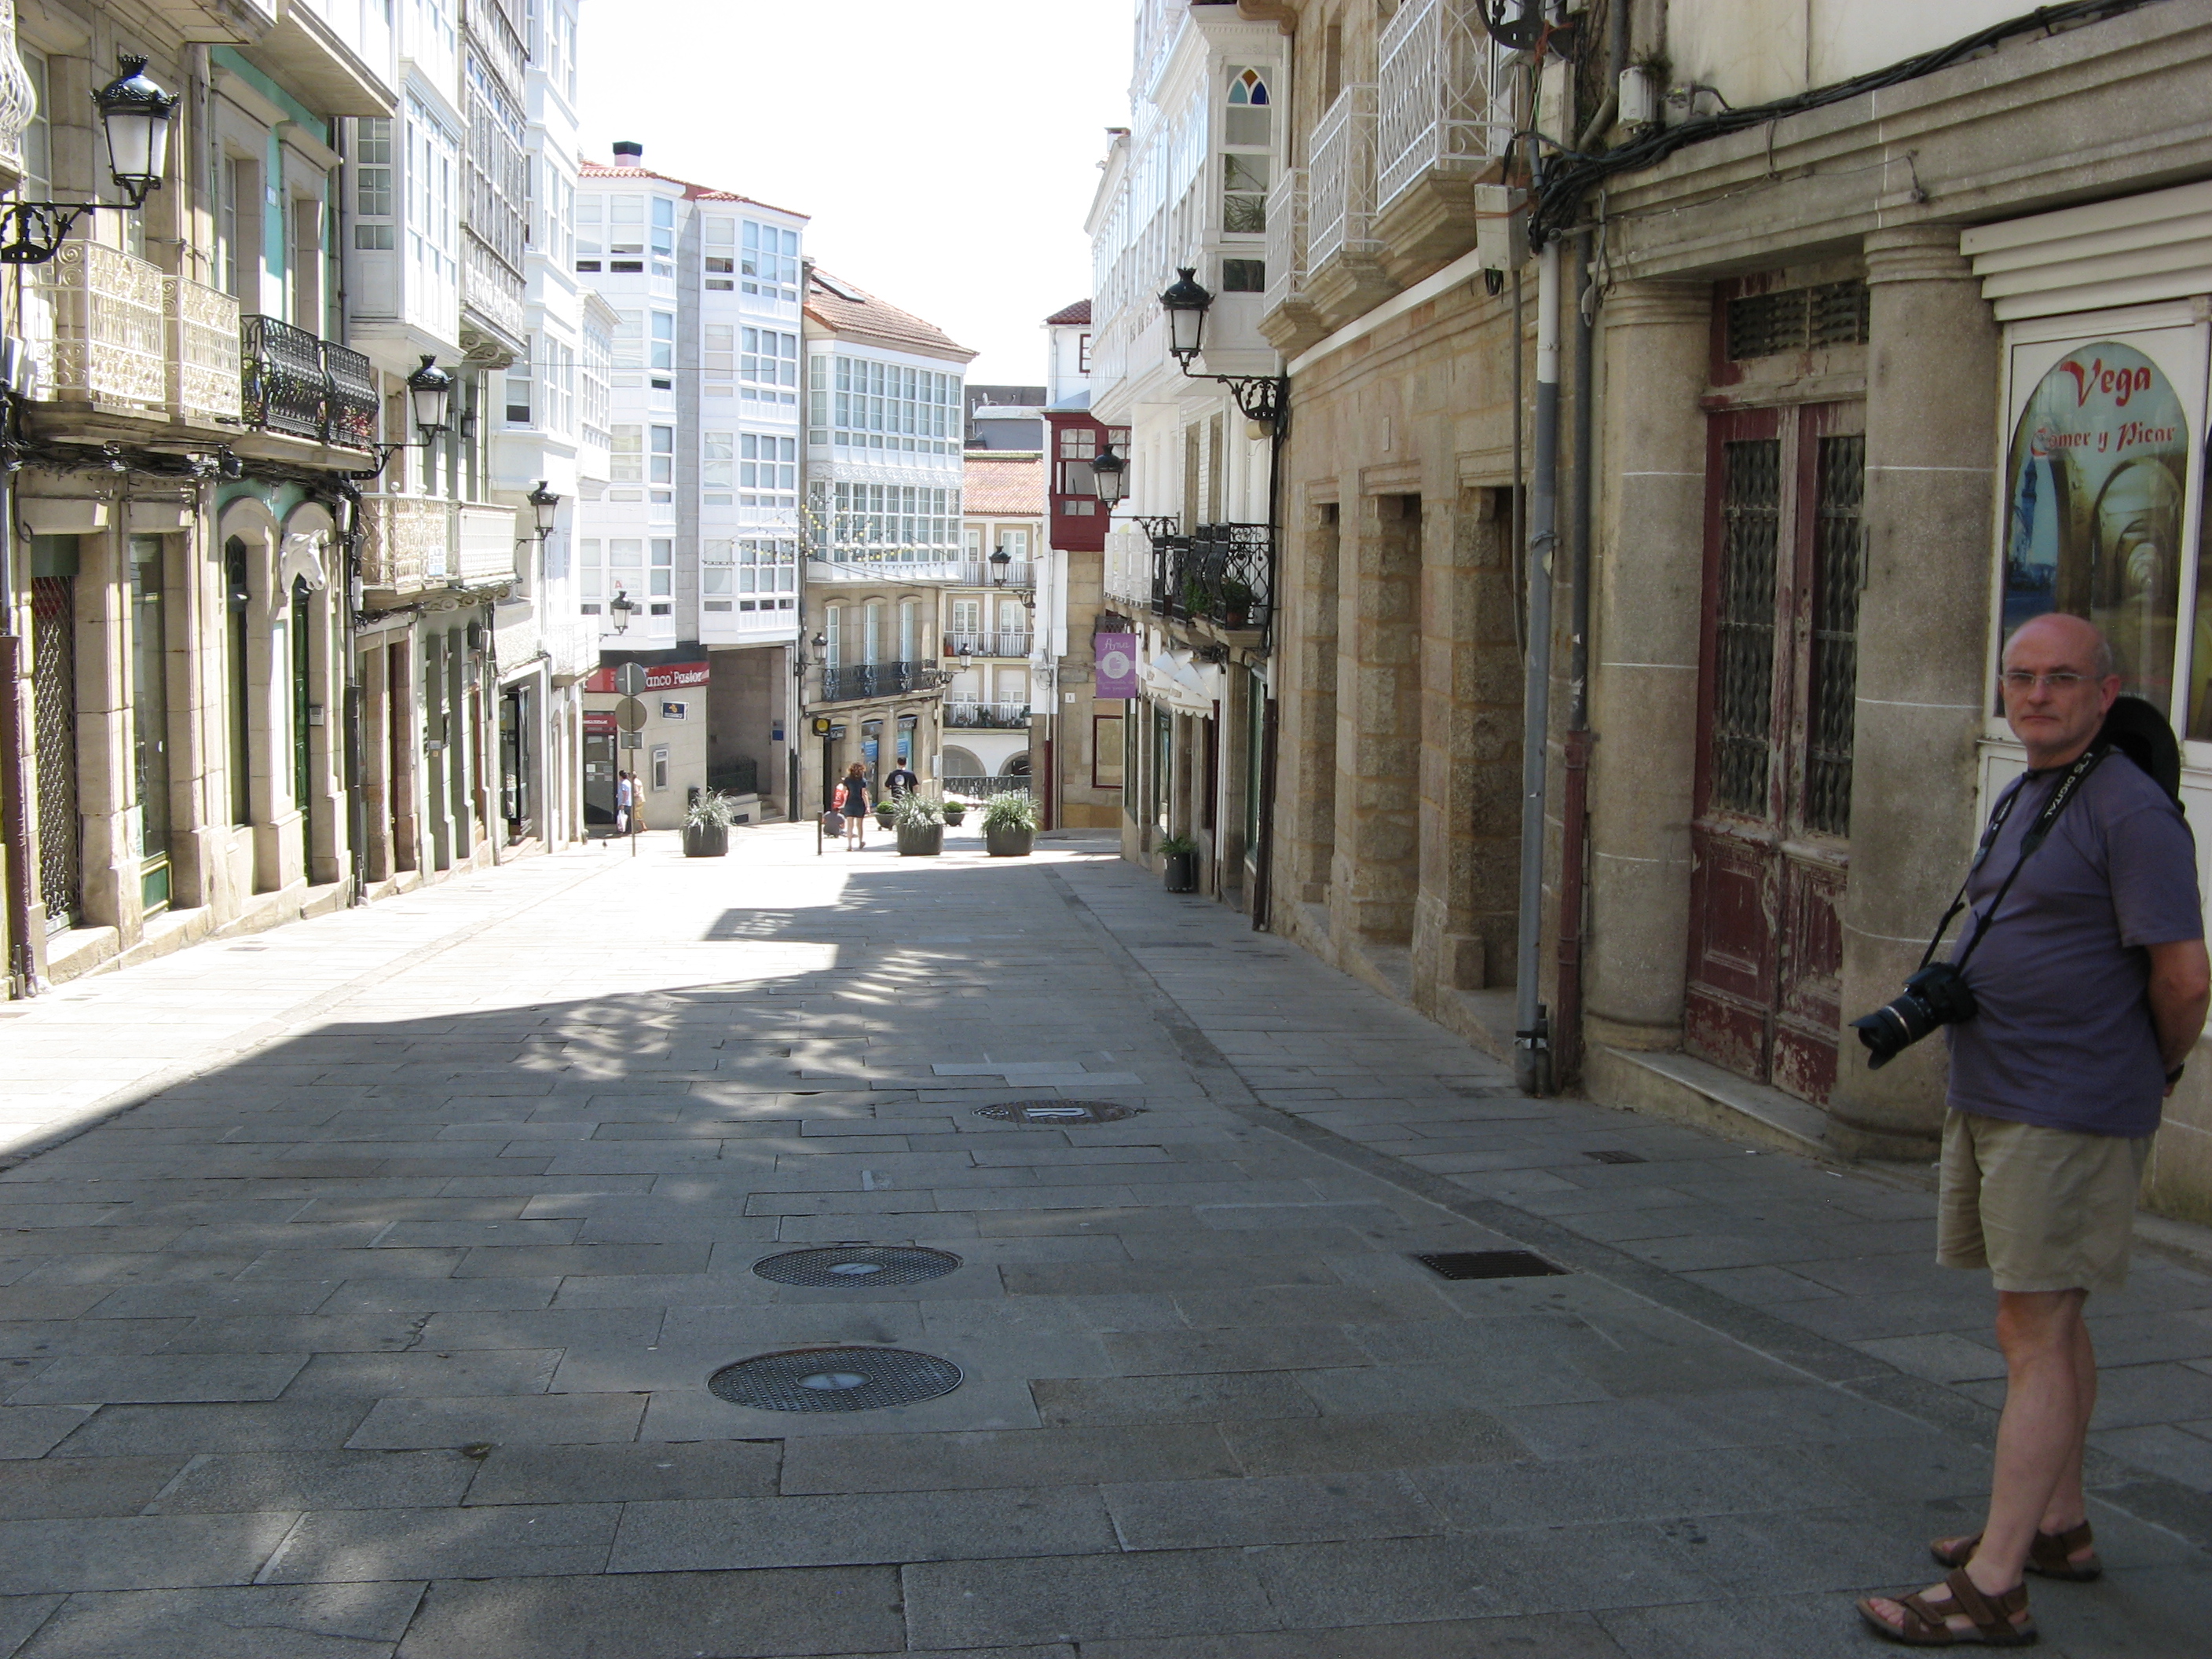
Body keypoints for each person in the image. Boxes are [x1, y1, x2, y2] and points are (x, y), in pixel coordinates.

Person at [1859, 612, 2208, 1648]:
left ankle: (1997, 1586)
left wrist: (2155, 1068)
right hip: (2002, 1089)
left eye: (2062, 678)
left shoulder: (2131, 810)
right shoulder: (2033, 788)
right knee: (2042, 1318)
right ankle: (2056, 1525)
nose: (2037, 694)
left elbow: (2184, 978)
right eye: (2021, 677)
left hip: (2068, 1101)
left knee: (2034, 1329)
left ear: (2106, 694)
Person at [837, 760, 870, 850]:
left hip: (850, 803)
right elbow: (864, 794)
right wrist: (867, 806)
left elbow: (844, 792)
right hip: (859, 804)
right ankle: (860, 842)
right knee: (859, 825)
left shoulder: (847, 780)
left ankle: (849, 845)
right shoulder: (863, 781)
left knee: (850, 825)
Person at [615, 770, 632, 837]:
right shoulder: (628, 782)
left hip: (625, 803)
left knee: (623, 817)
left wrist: (623, 803)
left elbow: (626, 794)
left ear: (621, 776)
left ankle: (623, 830)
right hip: (628, 802)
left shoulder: (624, 783)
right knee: (627, 817)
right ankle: (628, 830)